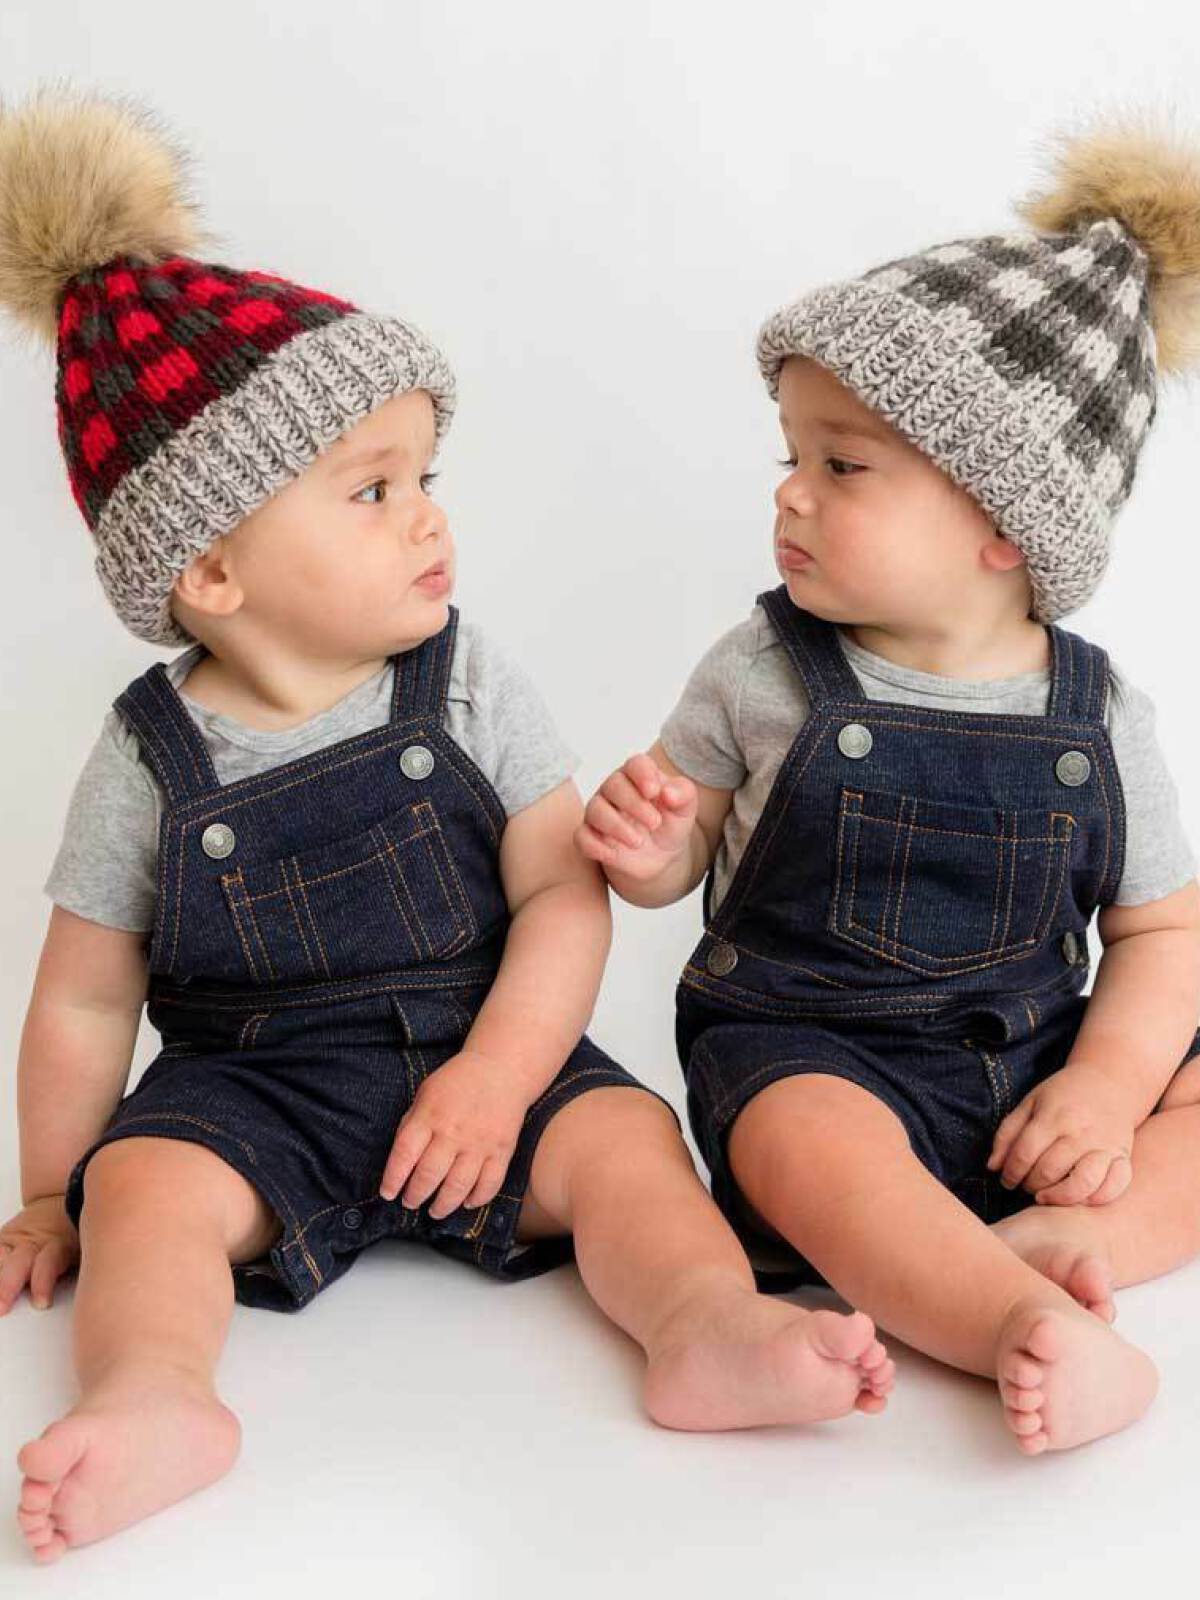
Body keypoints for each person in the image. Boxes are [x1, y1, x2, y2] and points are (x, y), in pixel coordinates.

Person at [0, 90, 893, 1564]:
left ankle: (701, 1324)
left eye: (427, 479)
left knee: (624, 1146)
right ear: (211, 572)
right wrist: (52, 1184)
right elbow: (86, 995)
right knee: (141, 1193)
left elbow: (557, 899)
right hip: (257, 1090)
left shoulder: (463, 677)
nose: (428, 520)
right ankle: (159, 1392)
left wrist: (498, 1078)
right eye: (372, 490)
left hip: (491, 1050)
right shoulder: (149, 754)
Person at [581, 111, 1200, 1456]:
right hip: (826, 1055)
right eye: (791, 458)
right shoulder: (765, 667)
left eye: (842, 465)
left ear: (1001, 525)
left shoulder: (1101, 712)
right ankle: (1015, 1323)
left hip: (1039, 1075)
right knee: (795, 1135)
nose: (792, 497)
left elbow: (1162, 934)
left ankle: (1084, 1234)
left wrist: (1104, 1087)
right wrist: (650, 854)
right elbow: (685, 845)